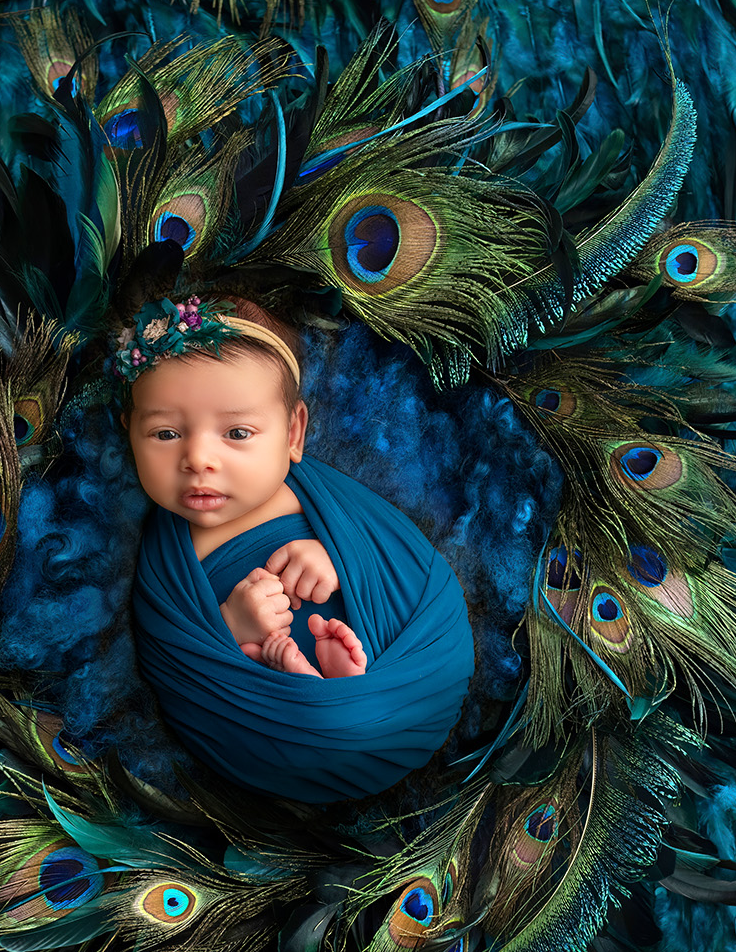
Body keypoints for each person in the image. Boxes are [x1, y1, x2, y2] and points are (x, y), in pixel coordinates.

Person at [121, 296, 476, 803]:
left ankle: (347, 686)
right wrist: (231, 626)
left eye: (237, 433)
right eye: (166, 433)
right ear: (130, 433)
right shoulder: (164, 562)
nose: (198, 458)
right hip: (264, 718)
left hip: (402, 678)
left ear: (293, 433)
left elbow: (408, 567)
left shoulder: (327, 501)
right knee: (278, 719)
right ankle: (315, 695)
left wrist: (341, 562)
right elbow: (177, 658)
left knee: (372, 677)